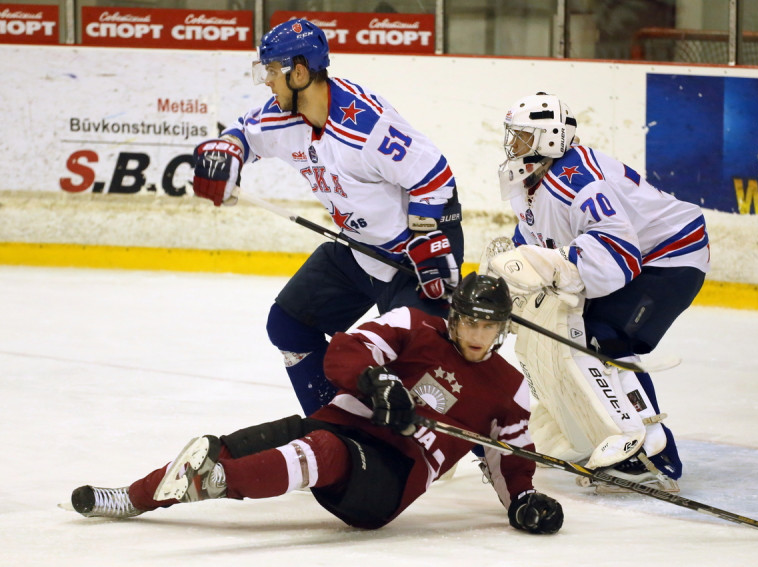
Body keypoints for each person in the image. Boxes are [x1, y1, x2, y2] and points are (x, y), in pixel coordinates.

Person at [68, 273, 563, 535]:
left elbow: (511, 460)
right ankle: (133, 497)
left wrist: (523, 501)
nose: (477, 335)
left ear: (502, 329)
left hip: (388, 481)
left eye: (489, 326)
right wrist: (377, 382)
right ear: (454, 317)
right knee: (229, 444)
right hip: (344, 427)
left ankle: (217, 484)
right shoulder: (415, 325)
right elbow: (349, 348)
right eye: (470, 322)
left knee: (325, 449)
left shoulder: (507, 388)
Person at [191, 18, 463, 416]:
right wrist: (227, 151)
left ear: (299, 72)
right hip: (361, 248)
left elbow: (434, 176)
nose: (266, 81)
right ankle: (330, 426)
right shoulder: (283, 116)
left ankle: (476, 444)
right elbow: (244, 133)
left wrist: (425, 237)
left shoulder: (365, 125)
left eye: (271, 71)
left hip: (416, 251)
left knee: (424, 369)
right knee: (288, 324)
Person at [485, 92, 709, 492]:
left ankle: (654, 451)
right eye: (512, 135)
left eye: (521, 136)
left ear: (550, 139)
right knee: (558, 334)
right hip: (645, 258)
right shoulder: (536, 178)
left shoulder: (578, 182)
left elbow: (618, 253)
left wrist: (555, 266)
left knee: (603, 337)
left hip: (673, 257)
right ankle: (585, 432)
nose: (512, 145)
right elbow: (536, 239)